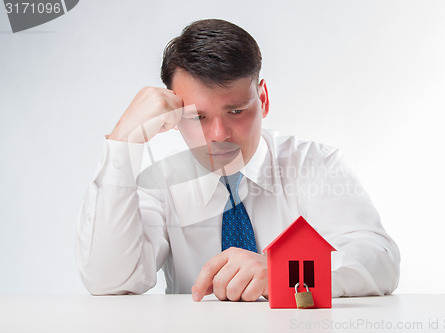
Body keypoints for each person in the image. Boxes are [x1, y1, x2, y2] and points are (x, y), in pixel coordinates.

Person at [76, 19, 400, 302]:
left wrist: (286, 271)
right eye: (197, 116)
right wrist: (122, 143)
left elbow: (379, 259)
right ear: (173, 117)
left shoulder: (314, 164)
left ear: (262, 99)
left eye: (236, 111)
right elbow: (110, 281)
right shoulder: (158, 179)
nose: (218, 134)